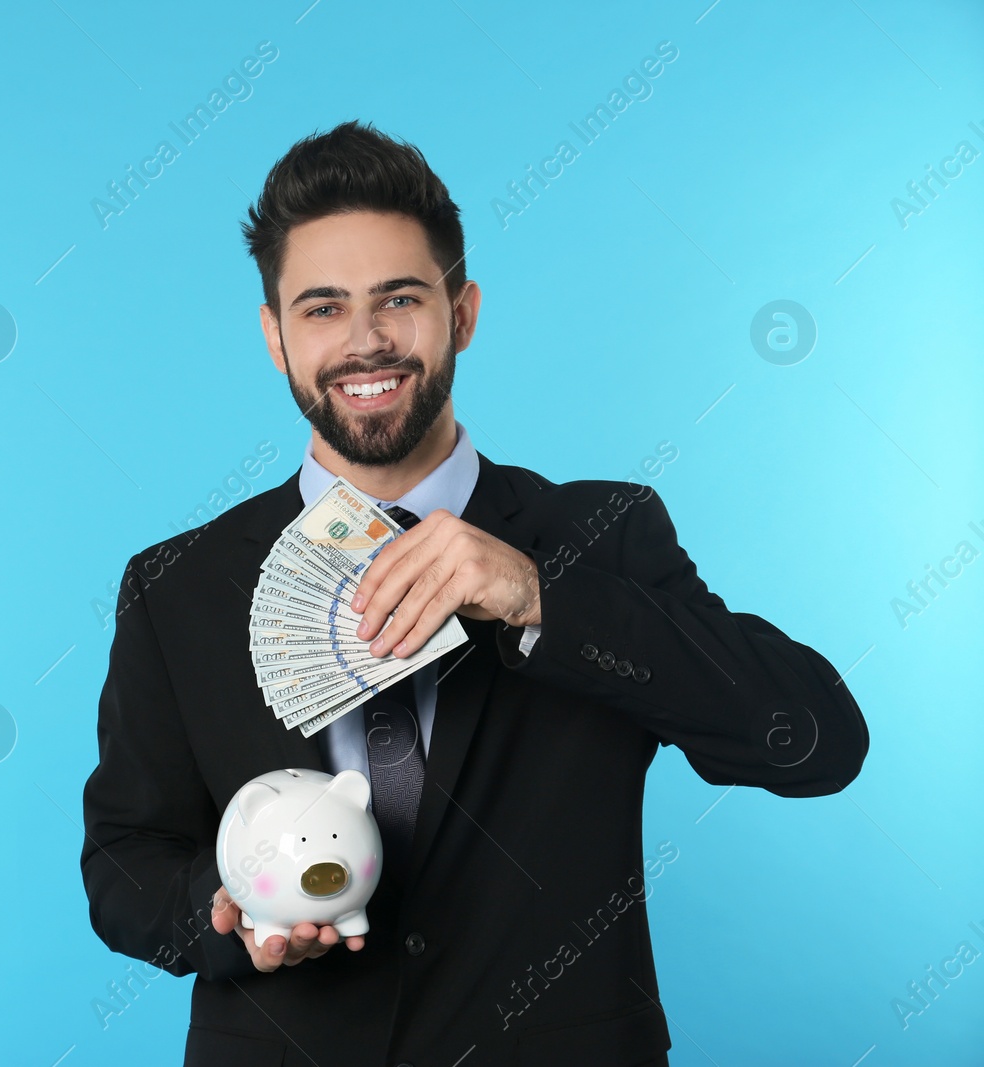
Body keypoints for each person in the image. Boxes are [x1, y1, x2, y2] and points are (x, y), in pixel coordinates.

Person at [78, 120, 868, 1067]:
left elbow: (816, 743)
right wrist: (228, 911)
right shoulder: (177, 585)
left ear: (463, 314)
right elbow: (123, 864)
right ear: (274, 336)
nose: (365, 343)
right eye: (322, 309)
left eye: (400, 299)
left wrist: (542, 597)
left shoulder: (600, 537)